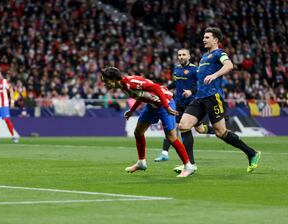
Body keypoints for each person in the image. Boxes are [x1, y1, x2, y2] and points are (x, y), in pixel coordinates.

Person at [178, 27, 261, 173]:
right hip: (199, 98)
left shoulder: (219, 53)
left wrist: (215, 75)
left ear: (216, 40)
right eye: (204, 37)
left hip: (213, 98)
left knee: (220, 132)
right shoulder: (204, 57)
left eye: (207, 37)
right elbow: (201, 80)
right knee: (184, 125)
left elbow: (229, 65)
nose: (204, 39)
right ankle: (189, 165)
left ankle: (252, 153)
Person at [101, 67, 195, 177]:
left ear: (113, 79)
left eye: (105, 81)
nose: (104, 84)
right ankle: (141, 162)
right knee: (138, 132)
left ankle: (188, 167)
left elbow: (156, 87)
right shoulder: (124, 86)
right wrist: (132, 110)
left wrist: (166, 107)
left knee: (171, 137)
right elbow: (140, 95)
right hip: (152, 105)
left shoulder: (131, 84)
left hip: (165, 102)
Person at [154, 49, 215, 174]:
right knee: (172, 128)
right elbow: (176, 83)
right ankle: (165, 153)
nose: (181, 57)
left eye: (183, 55)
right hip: (179, 104)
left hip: (192, 105)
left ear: (189, 56)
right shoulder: (176, 69)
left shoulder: (195, 69)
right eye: (179, 55)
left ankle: (217, 130)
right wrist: (164, 87)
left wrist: (191, 91)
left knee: (200, 130)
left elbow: (201, 84)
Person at [0, 71, 18, 143]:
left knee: (7, 120)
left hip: (5, 104)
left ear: (1, 75)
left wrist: (12, 101)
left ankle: (13, 136)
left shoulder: (5, 81)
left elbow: (11, 90)